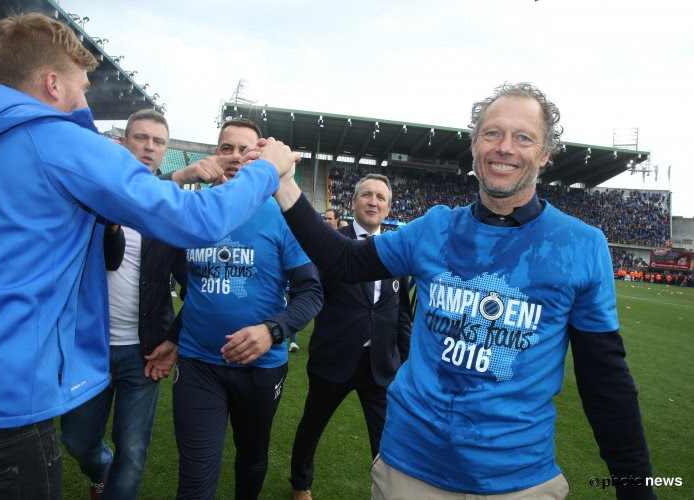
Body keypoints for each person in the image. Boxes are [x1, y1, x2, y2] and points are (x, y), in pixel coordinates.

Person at [0, 13, 296, 499]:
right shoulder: (60, 142)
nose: (85, 102)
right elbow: (194, 221)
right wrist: (267, 171)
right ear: (51, 83)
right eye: (81, 87)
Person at [271, 82, 655, 499]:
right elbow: (345, 261)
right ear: (474, 145)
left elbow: (605, 380)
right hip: (409, 472)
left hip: (518, 482)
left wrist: (637, 487)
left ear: (545, 154)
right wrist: (287, 185)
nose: (504, 147)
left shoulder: (581, 245)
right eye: (492, 133)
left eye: (523, 137)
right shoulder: (434, 228)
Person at [169, 118, 323, 499]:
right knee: (196, 472)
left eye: (246, 149)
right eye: (226, 148)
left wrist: (272, 330)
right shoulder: (194, 209)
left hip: (260, 368)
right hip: (198, 364)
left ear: (261, 155)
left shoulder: (283, 215)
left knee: (251, 458)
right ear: (214, 154)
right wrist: (175, 333)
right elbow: (187, 281)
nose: (235, 157)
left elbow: (311, 291)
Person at [60, 109, 187, 499]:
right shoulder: (89, 196)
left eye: (158, 141)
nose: (149, 146)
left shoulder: (171, 210)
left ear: (165, 152)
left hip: (144, 351)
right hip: (88, 348)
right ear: (123, 142)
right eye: (141, 137)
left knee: (133, 451)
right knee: (77, 441)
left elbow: (196, 285)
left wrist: (176, 339)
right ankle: (101, 468)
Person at [290, 174, 412, 500]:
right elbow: (312, 294)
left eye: (380, 198)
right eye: (367, 195)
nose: (373, 201)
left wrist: (407, 359)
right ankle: (300, 484)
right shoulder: (330, 244)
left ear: (388, 208)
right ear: (353, 202)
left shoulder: (397, 250)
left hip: (381, 364)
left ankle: (389, 491)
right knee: (311, 426)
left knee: (387, 437)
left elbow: (401, 312)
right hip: (335, 358)